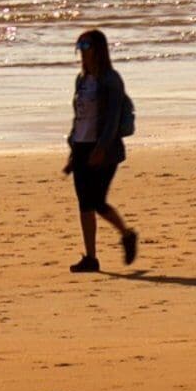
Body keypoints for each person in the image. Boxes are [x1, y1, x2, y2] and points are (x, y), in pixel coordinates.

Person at [64, 28, 139, 273]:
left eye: (86, 47)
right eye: (79, 48)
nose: (82, 54)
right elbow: (79, 116)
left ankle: (127, 234)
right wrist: (73, 147)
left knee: (96, 201)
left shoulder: (111, 80)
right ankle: (91, 258)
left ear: (99, 49)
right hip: (81, 147)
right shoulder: (81, 80)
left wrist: (102, 148)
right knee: (84, 203)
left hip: (105, 149)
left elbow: (112, 119)